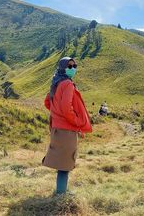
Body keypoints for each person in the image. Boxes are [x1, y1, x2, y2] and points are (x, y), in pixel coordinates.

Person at [42, 57, 92, 195]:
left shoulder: (56, 83)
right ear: (63, 67)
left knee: (62, 164)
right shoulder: (68, 84)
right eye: (70, 66)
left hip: (56, 130)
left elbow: (48, 103)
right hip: (67, 131)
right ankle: (61, 195)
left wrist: (56, 115)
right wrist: (76, 121)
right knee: (65, 165)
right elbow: (66, 107)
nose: (73, 68)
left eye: (75, 66)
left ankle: (61, 191)